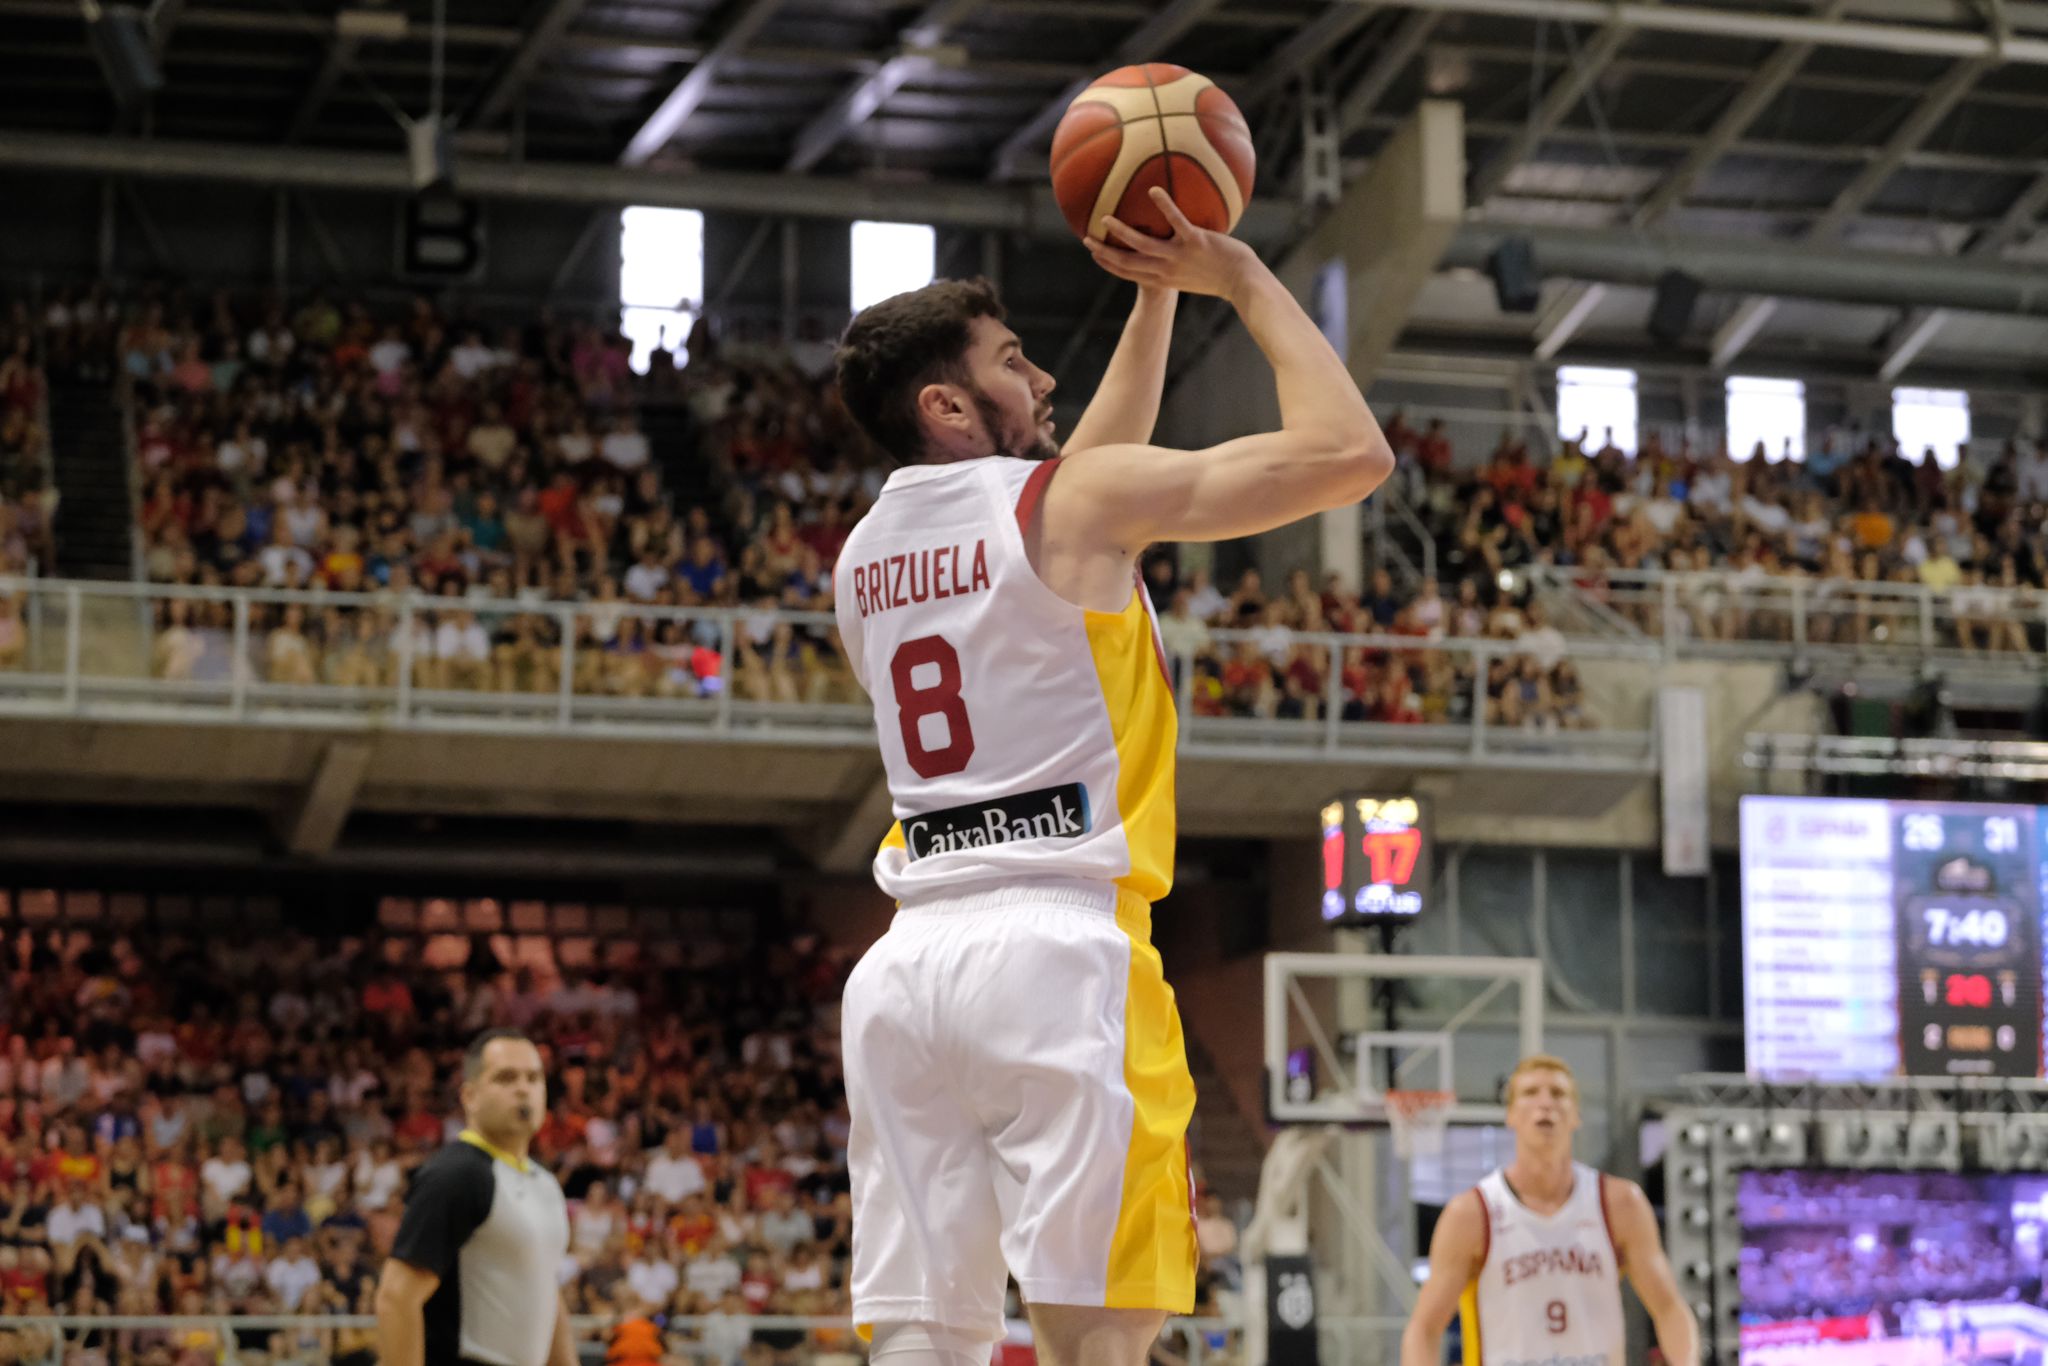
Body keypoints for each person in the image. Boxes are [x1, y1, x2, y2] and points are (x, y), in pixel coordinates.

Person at [830, 185, 1395, 1366]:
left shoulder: (860, 556)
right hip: (1059, 948)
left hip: (903, 966)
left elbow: (1080, 477)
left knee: (924, 1340)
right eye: (1012, 361)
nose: (1041, 382)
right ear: (945, 402)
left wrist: (1150, 296)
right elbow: (1351, 452)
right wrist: (1236, 280)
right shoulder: (1066, 506)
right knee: (1100, 1336)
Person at [1399, 1056, 1698, 1366]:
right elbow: (1424, 1328)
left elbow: (1669, 1308)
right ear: (1511, 1115)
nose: (1545, 1103)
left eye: (1558, 1094)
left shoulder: (1620, 1203)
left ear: (1576, 1115)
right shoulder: (1472, 1213)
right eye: (1530, 1093)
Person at [374, 1029, 573, 1366]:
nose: (524, 1088)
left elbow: (545, 1290)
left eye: (534, 1078)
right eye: (506, 1078)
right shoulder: (457, 1175)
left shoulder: (545, 1183)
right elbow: (396, 1297)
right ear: (470, 1096)